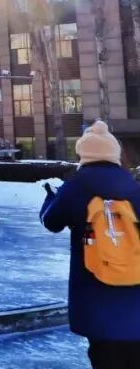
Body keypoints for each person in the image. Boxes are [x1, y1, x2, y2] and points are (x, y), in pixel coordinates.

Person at [40, 120, 140, 368]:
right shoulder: (133, 186)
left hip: (95, 292)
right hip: (134, 292)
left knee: (104, 354)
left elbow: (52, 222)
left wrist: (50, 199)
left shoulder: (77, 186)